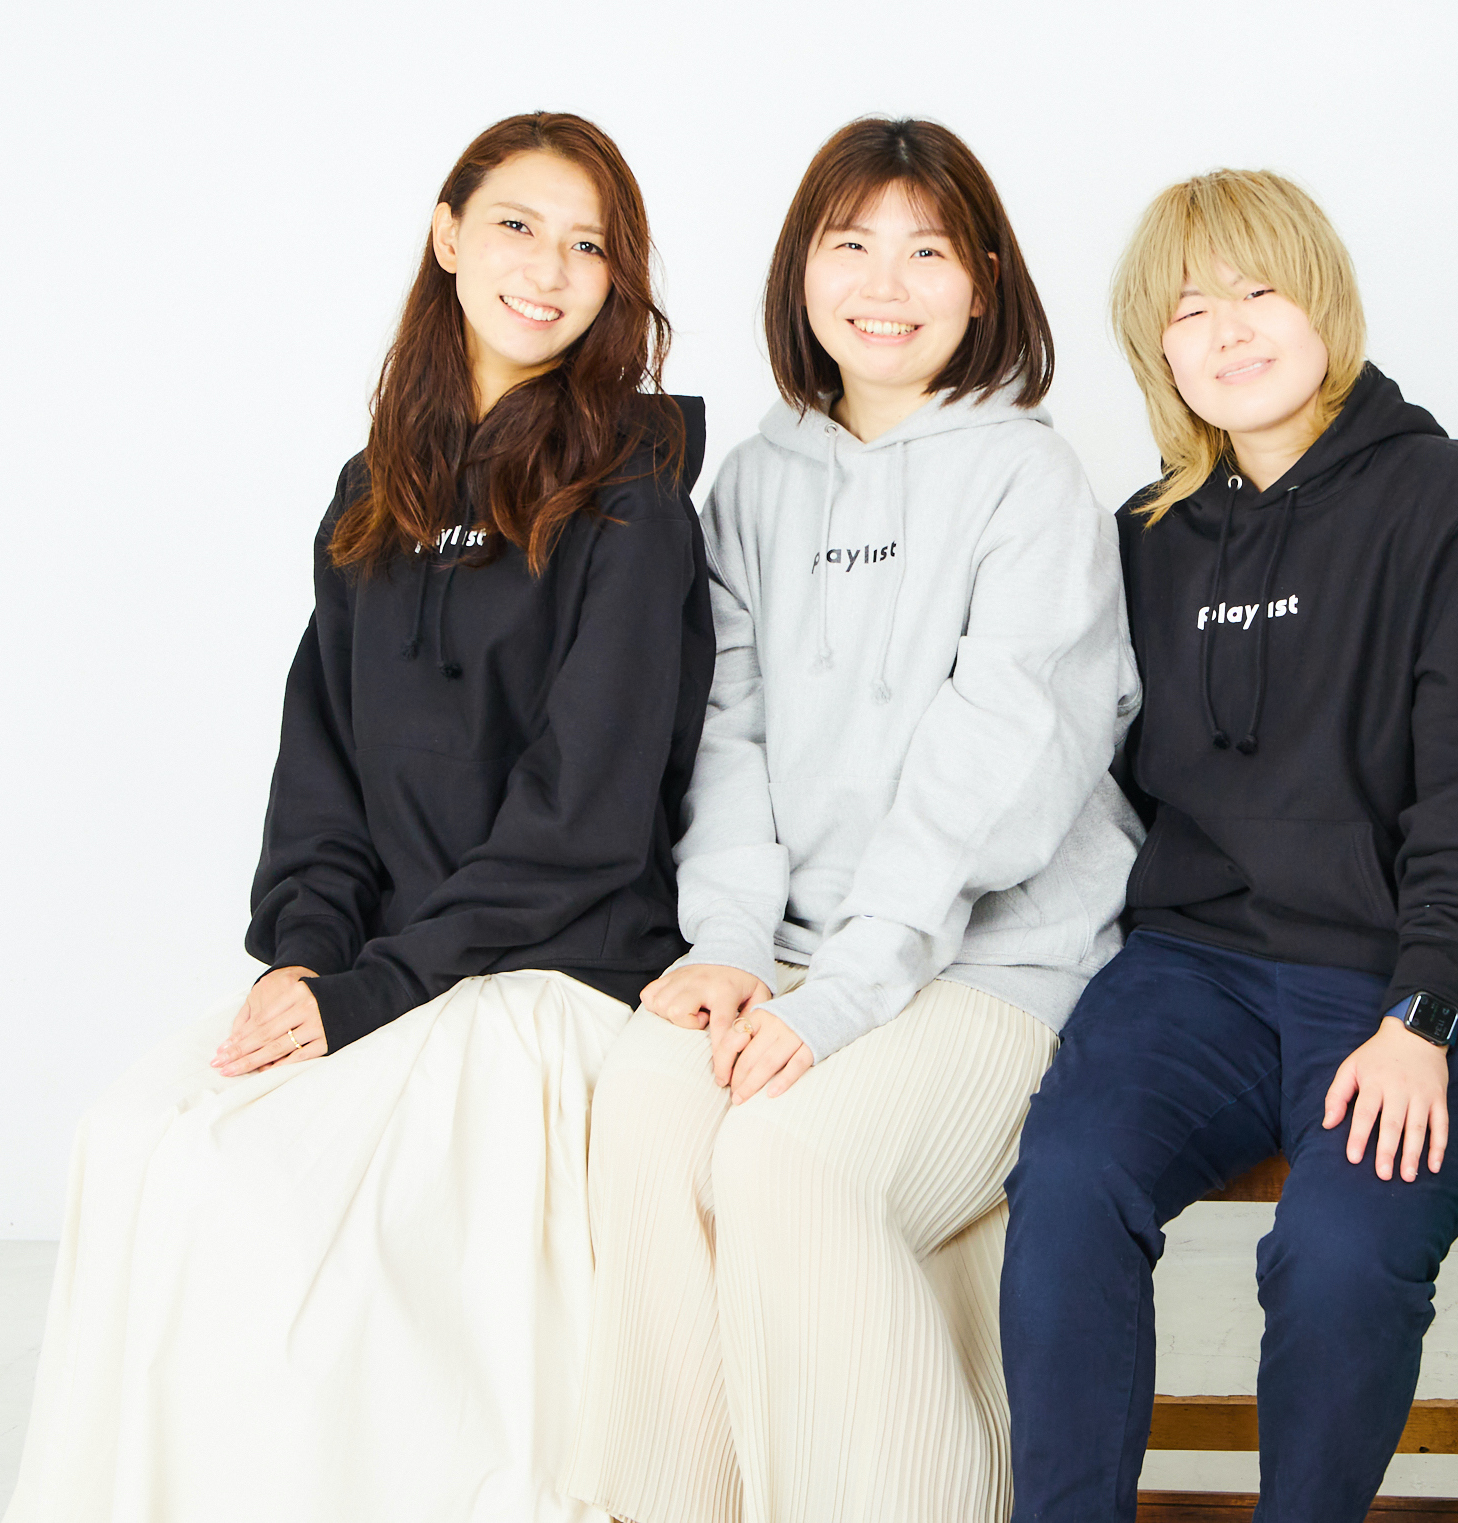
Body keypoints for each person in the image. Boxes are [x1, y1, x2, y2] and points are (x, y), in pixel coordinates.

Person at [2, 113, 713, 1523]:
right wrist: (303, 955)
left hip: (550, 972)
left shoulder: (634, 496)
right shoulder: (372, 491)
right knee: (137, 1140)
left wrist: (371, 991)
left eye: (588, 246)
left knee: (269, 1204)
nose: (548, 270)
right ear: (447, 235)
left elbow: (588, 814)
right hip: (387, 965)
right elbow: (318, 766)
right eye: (517, 226)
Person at [568, 117, 1135, 1523]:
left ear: (984, 283)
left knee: (785, 1156)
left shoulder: (1030, 481)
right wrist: (730, 947)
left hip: (996, 969)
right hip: (796, 953)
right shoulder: (752, 485)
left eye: (928, 252)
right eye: (852, 245)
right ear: (801, 271)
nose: (887, 284)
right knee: (643, 1111)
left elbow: (993, 773)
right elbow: (727, 737)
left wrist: (844, 996)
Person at [998, 168, 1458, 1523]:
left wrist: (1423, 1015)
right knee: (1066, 1185)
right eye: (1189, 309)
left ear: (1325, 303)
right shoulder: (1150, 537)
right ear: (1158, 347)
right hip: (1197, 968)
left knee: (1342, 1248)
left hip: (1417, 981)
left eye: (1259, 290)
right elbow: (1098, 779)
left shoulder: (1451, 504)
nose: (1229, 331)